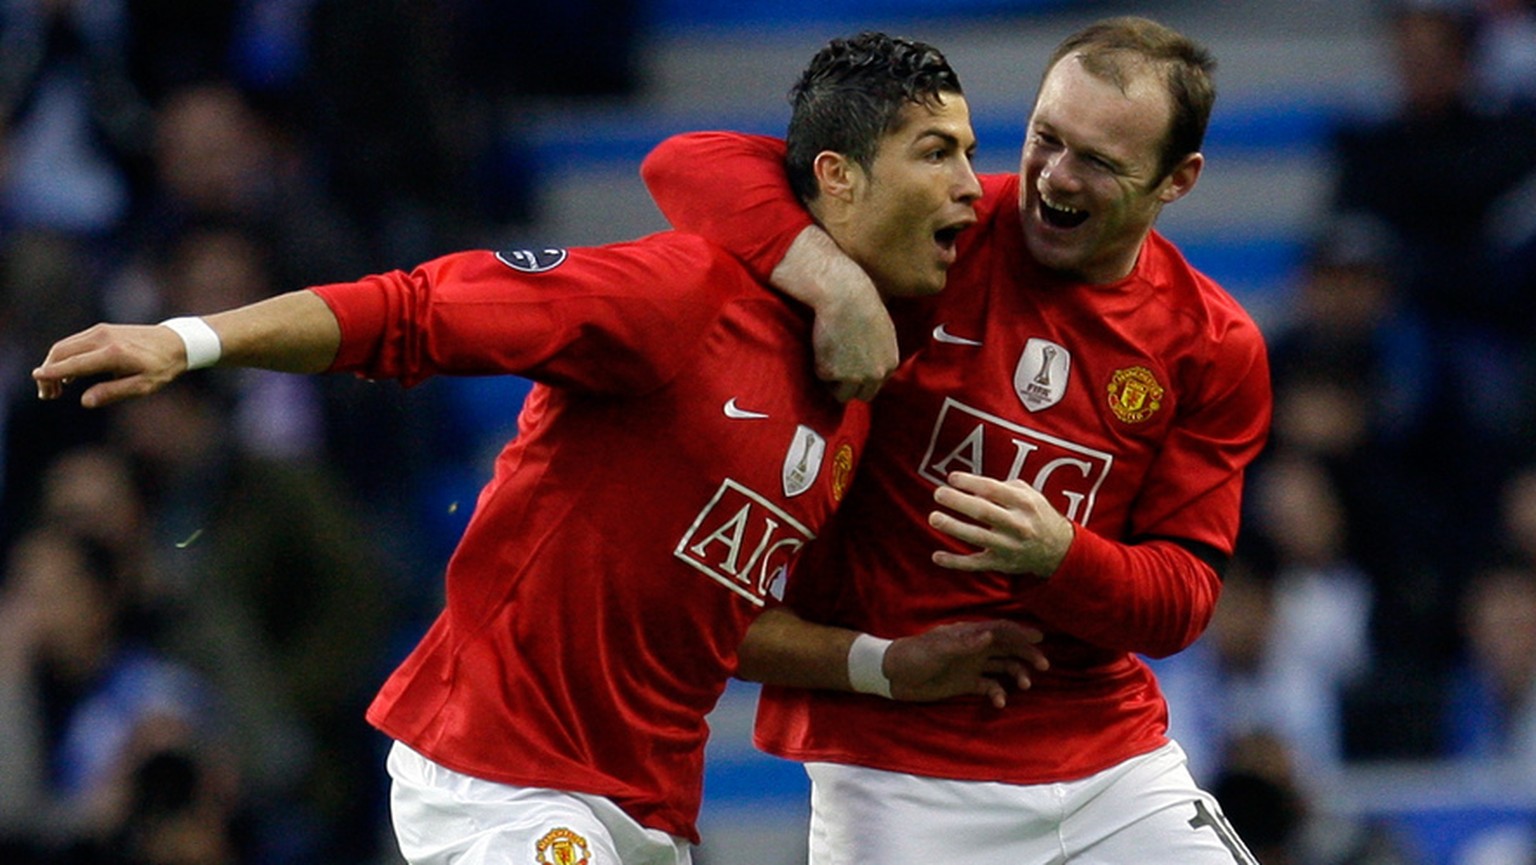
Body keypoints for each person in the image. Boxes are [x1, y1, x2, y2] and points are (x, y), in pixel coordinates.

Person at [31, 32, 1048, 865]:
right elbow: (413, 310)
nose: (972, 183)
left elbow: (710, 618)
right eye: (936, 152)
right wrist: (190, 337)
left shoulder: (854, 392)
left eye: (968, 151)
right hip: (502, 777)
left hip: (648, 813)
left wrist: (884, 667)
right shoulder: (674, 295)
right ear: (838, 177)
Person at [641, 16, 1272, 864]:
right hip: (895, 771)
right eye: (1047, 137)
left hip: (1107, 760)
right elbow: (683, 164)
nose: (1055, 177)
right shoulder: (937, 236)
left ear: (1177, 179)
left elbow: (1183, 598)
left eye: (1100, 162)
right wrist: (839, 288)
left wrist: (1061, 555)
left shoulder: (1213, 343)